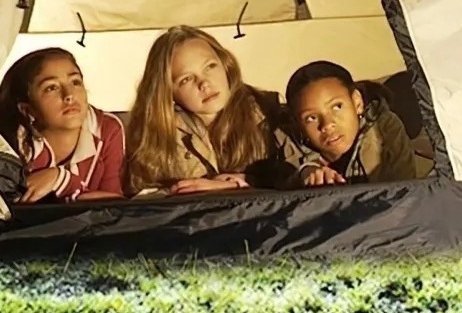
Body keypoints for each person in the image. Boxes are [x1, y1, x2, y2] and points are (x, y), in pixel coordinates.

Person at [123, 25, 319, 196]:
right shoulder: (154, 137)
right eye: (186, 79)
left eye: (210, 66)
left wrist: (236, 184)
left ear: (225, 65)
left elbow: (303, 174)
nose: (204, 84)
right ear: (167, 92)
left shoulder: (269, 113)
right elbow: (144, 202)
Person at [0, 48, 125, 203]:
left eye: (75, 82)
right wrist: (67, 185)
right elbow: (15, 206)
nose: (69, 95)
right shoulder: (11, 141)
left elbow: (114, 203)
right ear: (27, 109)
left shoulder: (107, 129)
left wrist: (60, 179)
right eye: (52, 88)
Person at [283, 60, 419, 185]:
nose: (327, 125)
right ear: (298, 125)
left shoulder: (384, 129)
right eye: (311, 118)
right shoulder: (288, 143)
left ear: (357, 103)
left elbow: (406, 191)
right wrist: (305, 174)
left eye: (337, 107)